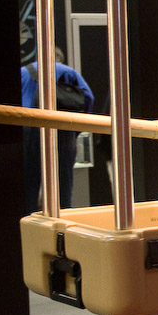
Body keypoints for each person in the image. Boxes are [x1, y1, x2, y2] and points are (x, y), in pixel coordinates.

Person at [21, 47, 94, 214]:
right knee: (63, 188)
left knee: (29, 187)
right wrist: (75, 130)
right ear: (60, 58)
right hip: (62, 130)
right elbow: (89, 98)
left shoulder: (23, 72)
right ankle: (62, 224)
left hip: (28, 130)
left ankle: (28, 223)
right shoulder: (68, 72)